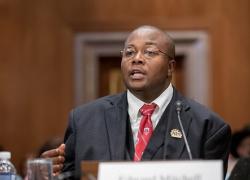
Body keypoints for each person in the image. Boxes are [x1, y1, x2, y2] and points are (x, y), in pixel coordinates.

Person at [41, 25, 231, 178]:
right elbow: (66, 175)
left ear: (170, 67)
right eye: (129, 52)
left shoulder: (208, 127)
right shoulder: (84, 120)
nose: (137, 59)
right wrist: (48, 173)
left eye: (149, 52)